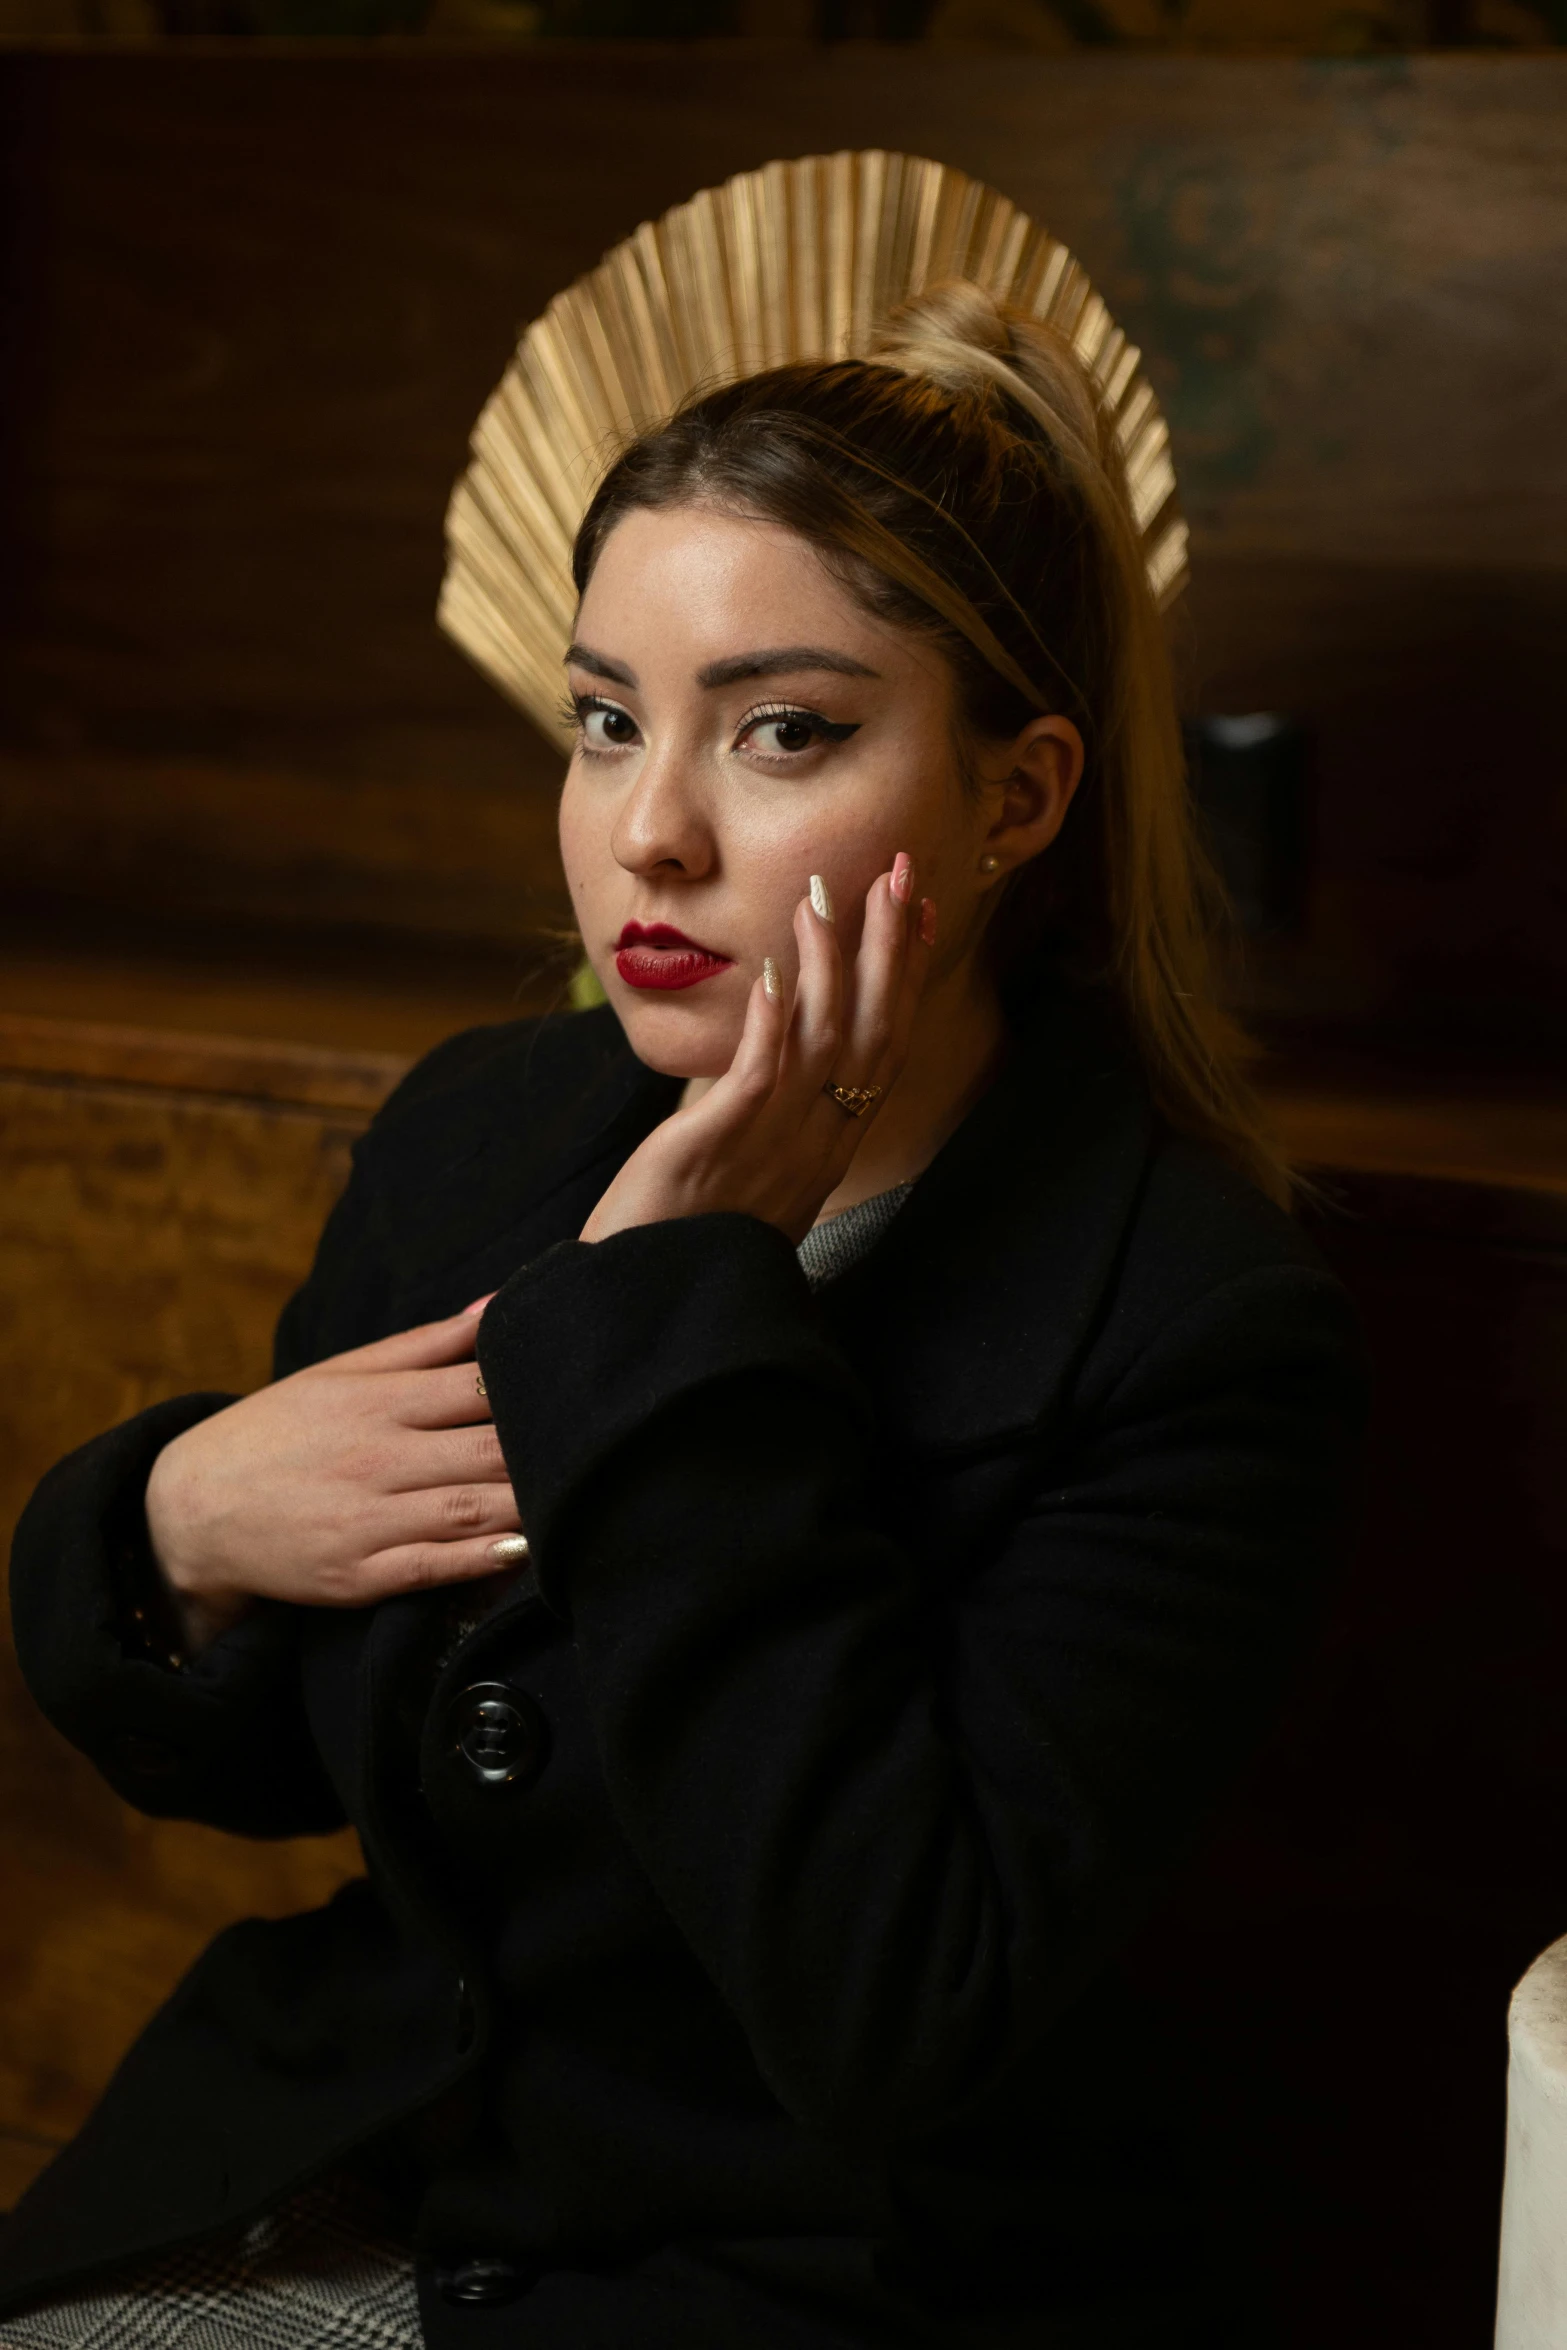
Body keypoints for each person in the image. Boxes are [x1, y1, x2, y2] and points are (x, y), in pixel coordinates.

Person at [0, 280, 1365, 2349]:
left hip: (811, 2281)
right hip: (358, 2163)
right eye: (608, 717)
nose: (651, 825)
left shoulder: (1192, 1325)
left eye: (784, 727)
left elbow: (893, 1998)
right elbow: (294, 1766)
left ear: (1017, 798)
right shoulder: (483, 1131)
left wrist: (669, 1308)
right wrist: (171, 1521)